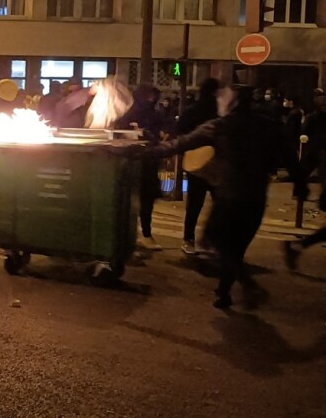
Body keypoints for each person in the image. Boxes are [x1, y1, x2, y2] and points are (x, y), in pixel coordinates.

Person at [141, 85, 286, 311]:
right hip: (256, 197)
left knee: (215, 240)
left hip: (229, 197)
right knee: (236, 248)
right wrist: (300, 182)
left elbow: (181, 143)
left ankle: (246, 285)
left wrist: (145, 153)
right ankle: (224, 293)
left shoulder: (220, 126)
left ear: (232, 103)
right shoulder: (267, 126)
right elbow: (288, 155)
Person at [117, 84, 167, 250]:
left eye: (153, 97)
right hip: (135, 162)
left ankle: (145, 234)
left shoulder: (154, 114)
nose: (151, 100)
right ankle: (130, 236)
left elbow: (162, 130)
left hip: (148, 162)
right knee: (132, 201)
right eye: (149, 96)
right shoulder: (130, 115)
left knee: (146, 201)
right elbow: (121, 135)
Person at [178, 78, 220, 254]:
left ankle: (189, 239)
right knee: (219, 203)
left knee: (194, 204)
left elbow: (180, 131)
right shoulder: (220, 112)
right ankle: (211, 240)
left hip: (196, 161)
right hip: (216, 163)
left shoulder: (192, 110)